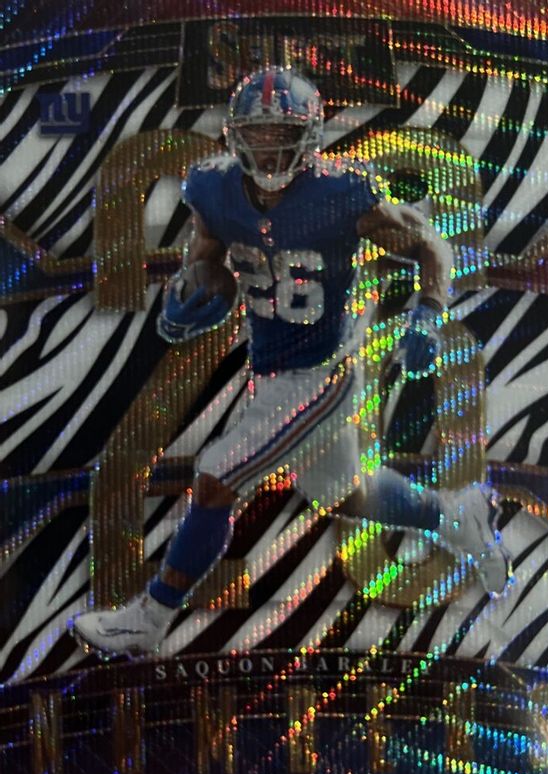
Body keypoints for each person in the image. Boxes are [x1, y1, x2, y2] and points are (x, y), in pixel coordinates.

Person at [73, 66, 511, 657]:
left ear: (308, 138)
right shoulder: (213, 188)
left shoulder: (342, 193)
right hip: (273, 371)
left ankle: (150, 618)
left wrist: (427, 315)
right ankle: (457, 515)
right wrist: (189, 297)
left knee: (217, 477)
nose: (268, 148)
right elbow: (206, 259)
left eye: (280, 134)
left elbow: (431, 245)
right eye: (256, 134)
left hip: (323, 373)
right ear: (235, 137)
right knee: (351, 495)